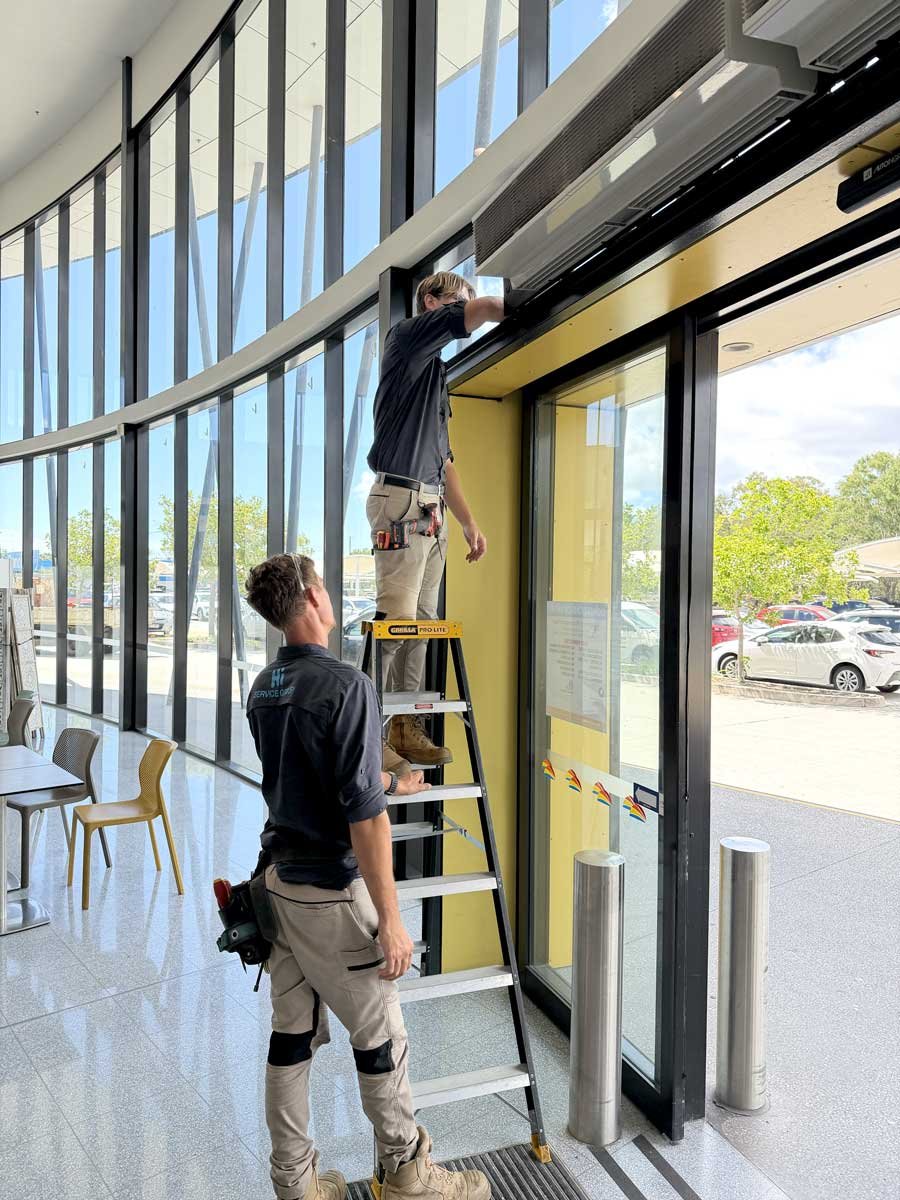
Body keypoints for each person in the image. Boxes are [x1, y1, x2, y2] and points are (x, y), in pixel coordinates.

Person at [244, 552, 491, 1200]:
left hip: (277, 888)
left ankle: (295, 1184)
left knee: (291, 1038)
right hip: (330, 893)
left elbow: (320, 778)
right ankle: (409, 1174)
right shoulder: (346, 685)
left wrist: (389, 779)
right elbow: (363, 819)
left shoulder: (265, 687)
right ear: (315, 599)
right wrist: (393, 923)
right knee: (381, 1036)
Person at [367, 272, 504, 771]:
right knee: (396, 622)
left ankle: (404, 727)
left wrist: (467, 522)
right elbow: (482, 309)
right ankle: (369, 736)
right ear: (431, 302)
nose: (459, 312)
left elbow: (446, 462)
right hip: (401, 498)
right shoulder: (407, 338)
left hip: (430, 507)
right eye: (454, 304)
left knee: (421, 625)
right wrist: (507, 303)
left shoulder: (435, 381)